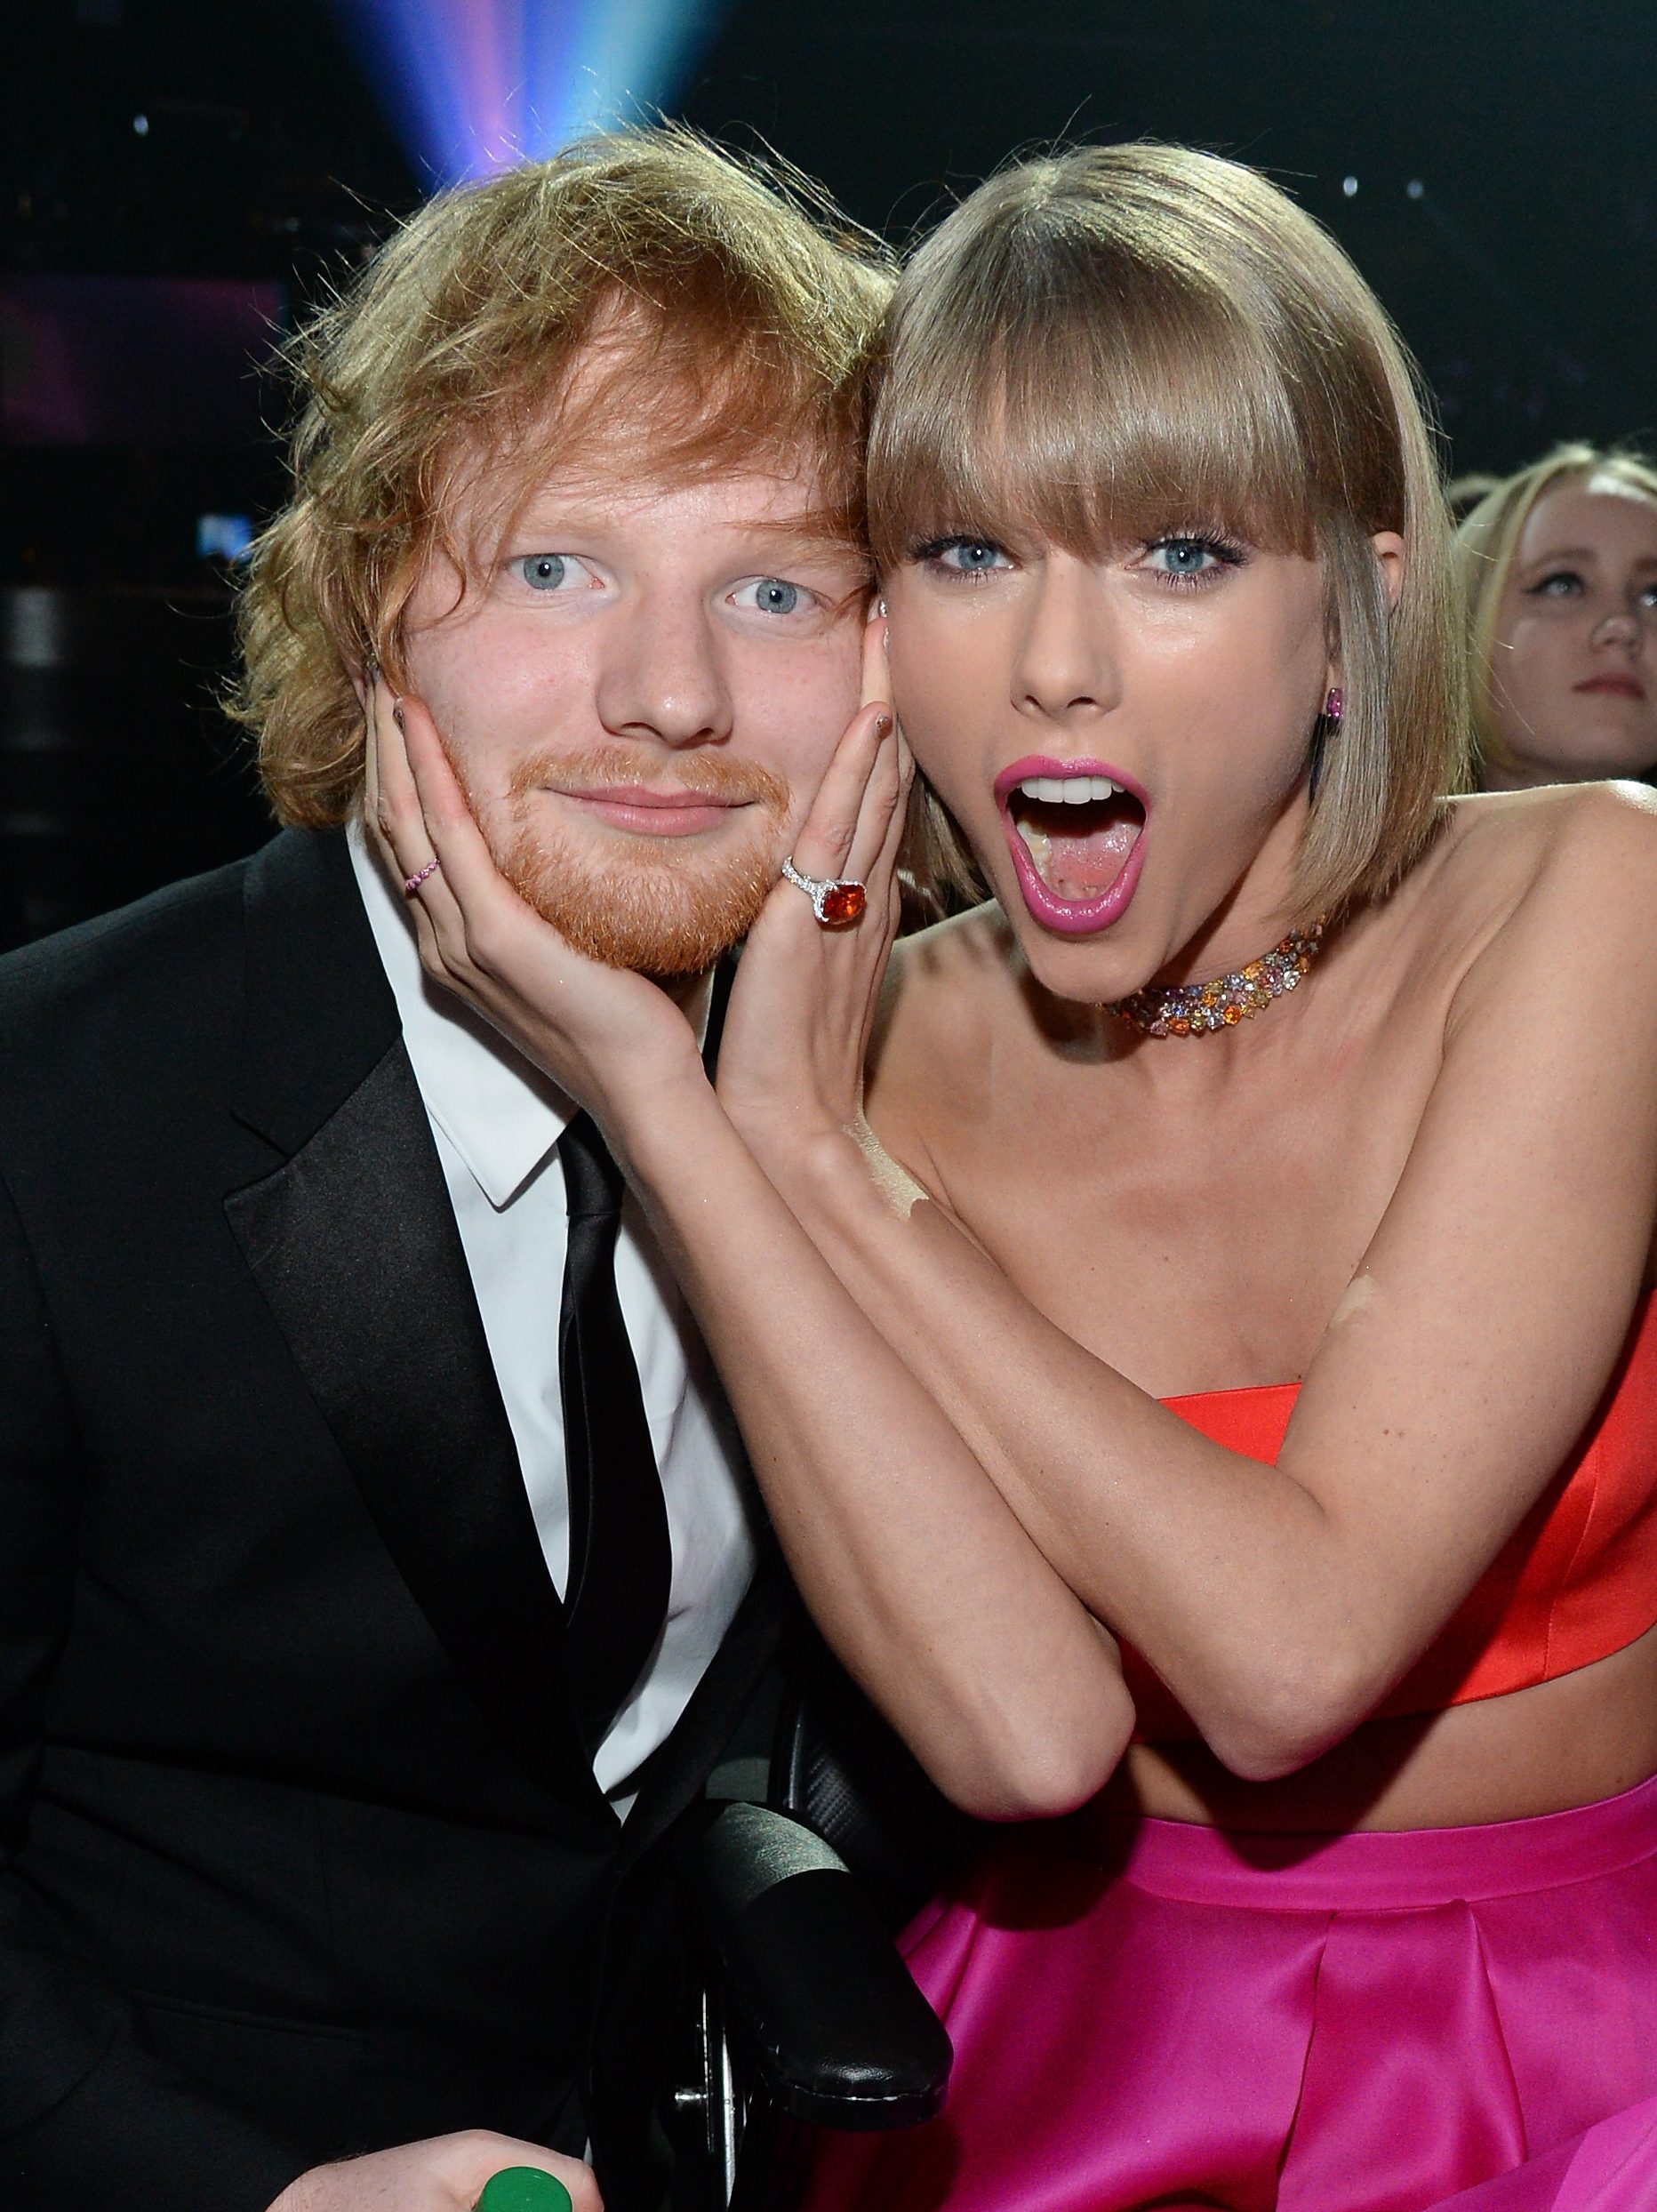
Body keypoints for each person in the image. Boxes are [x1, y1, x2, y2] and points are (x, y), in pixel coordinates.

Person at [372, 142, 1657, 2209]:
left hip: (1594, 2037)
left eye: (1173, 553)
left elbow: (1291, 1654)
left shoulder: (1592, 891)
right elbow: (1019, 1743)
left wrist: (821, 1164)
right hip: (1092, 2047)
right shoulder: (854, 1036)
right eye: (965, 554)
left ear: (1357, 615)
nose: (1054, 663)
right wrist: (709, 1115)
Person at [0, 127, 890, 2212]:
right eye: (560, 565)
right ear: (372, 595)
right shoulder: (50, 1115)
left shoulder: (891, 1090)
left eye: (772, 588)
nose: (670, 697)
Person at [1459, 442, 1657, 789]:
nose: (1623, 625)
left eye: (1654, 596)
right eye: (1563, 584)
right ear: (1464, 625)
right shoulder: (1348, 840)